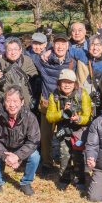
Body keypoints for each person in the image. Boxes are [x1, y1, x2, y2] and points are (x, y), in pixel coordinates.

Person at [30, 33, 78, 173]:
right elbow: (30, 53)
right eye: (57, 43)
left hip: (66, 103)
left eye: (63, 44)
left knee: (68, 134)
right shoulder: (43, 60)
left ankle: (70, 162)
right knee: (45, 136)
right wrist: (47, 50)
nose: (60, 46)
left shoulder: (72, 62)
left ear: (68, 46)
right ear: (53, 45)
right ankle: (47, 163)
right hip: (47, 102)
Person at [0, 86, 41, 196]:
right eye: (8, 101)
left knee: (35, 156)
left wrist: (18, 156)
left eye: (15, 101)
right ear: (4, 102)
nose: (12, 105)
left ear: (22, 102)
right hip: (3, 148)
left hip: (21, 147)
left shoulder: (30, 117)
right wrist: (5, 156)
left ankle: (26, 183)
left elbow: (33, 141)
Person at [46, 69, 92, 189]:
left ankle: (80, 178)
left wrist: (78, 118)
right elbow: (50, 117)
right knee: (64, 155)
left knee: (78, 155)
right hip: (64, 129)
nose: (67, 85)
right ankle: (64, 178)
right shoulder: (54, 96)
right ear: (59, 83)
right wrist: (62, 113)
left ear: (75, 83)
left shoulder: (82, 94)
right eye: (64, 82)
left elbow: (88, 116)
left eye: (70, 82)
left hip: (79, 130)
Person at [0, 37, 39, 109]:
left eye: (15, 49)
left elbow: (35, 79)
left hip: (25, 104)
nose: (13, 52)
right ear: (5, 51)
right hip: (6, 105)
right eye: (9, 50)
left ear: (20, 50)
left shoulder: (27, 61)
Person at [74, 34, 102, 117]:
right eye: (92, 44)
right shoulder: (82, 54)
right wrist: (49, 51)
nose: (95, 48)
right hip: (83, 101)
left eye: (98, 45)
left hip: (100, 103)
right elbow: (66, 49)